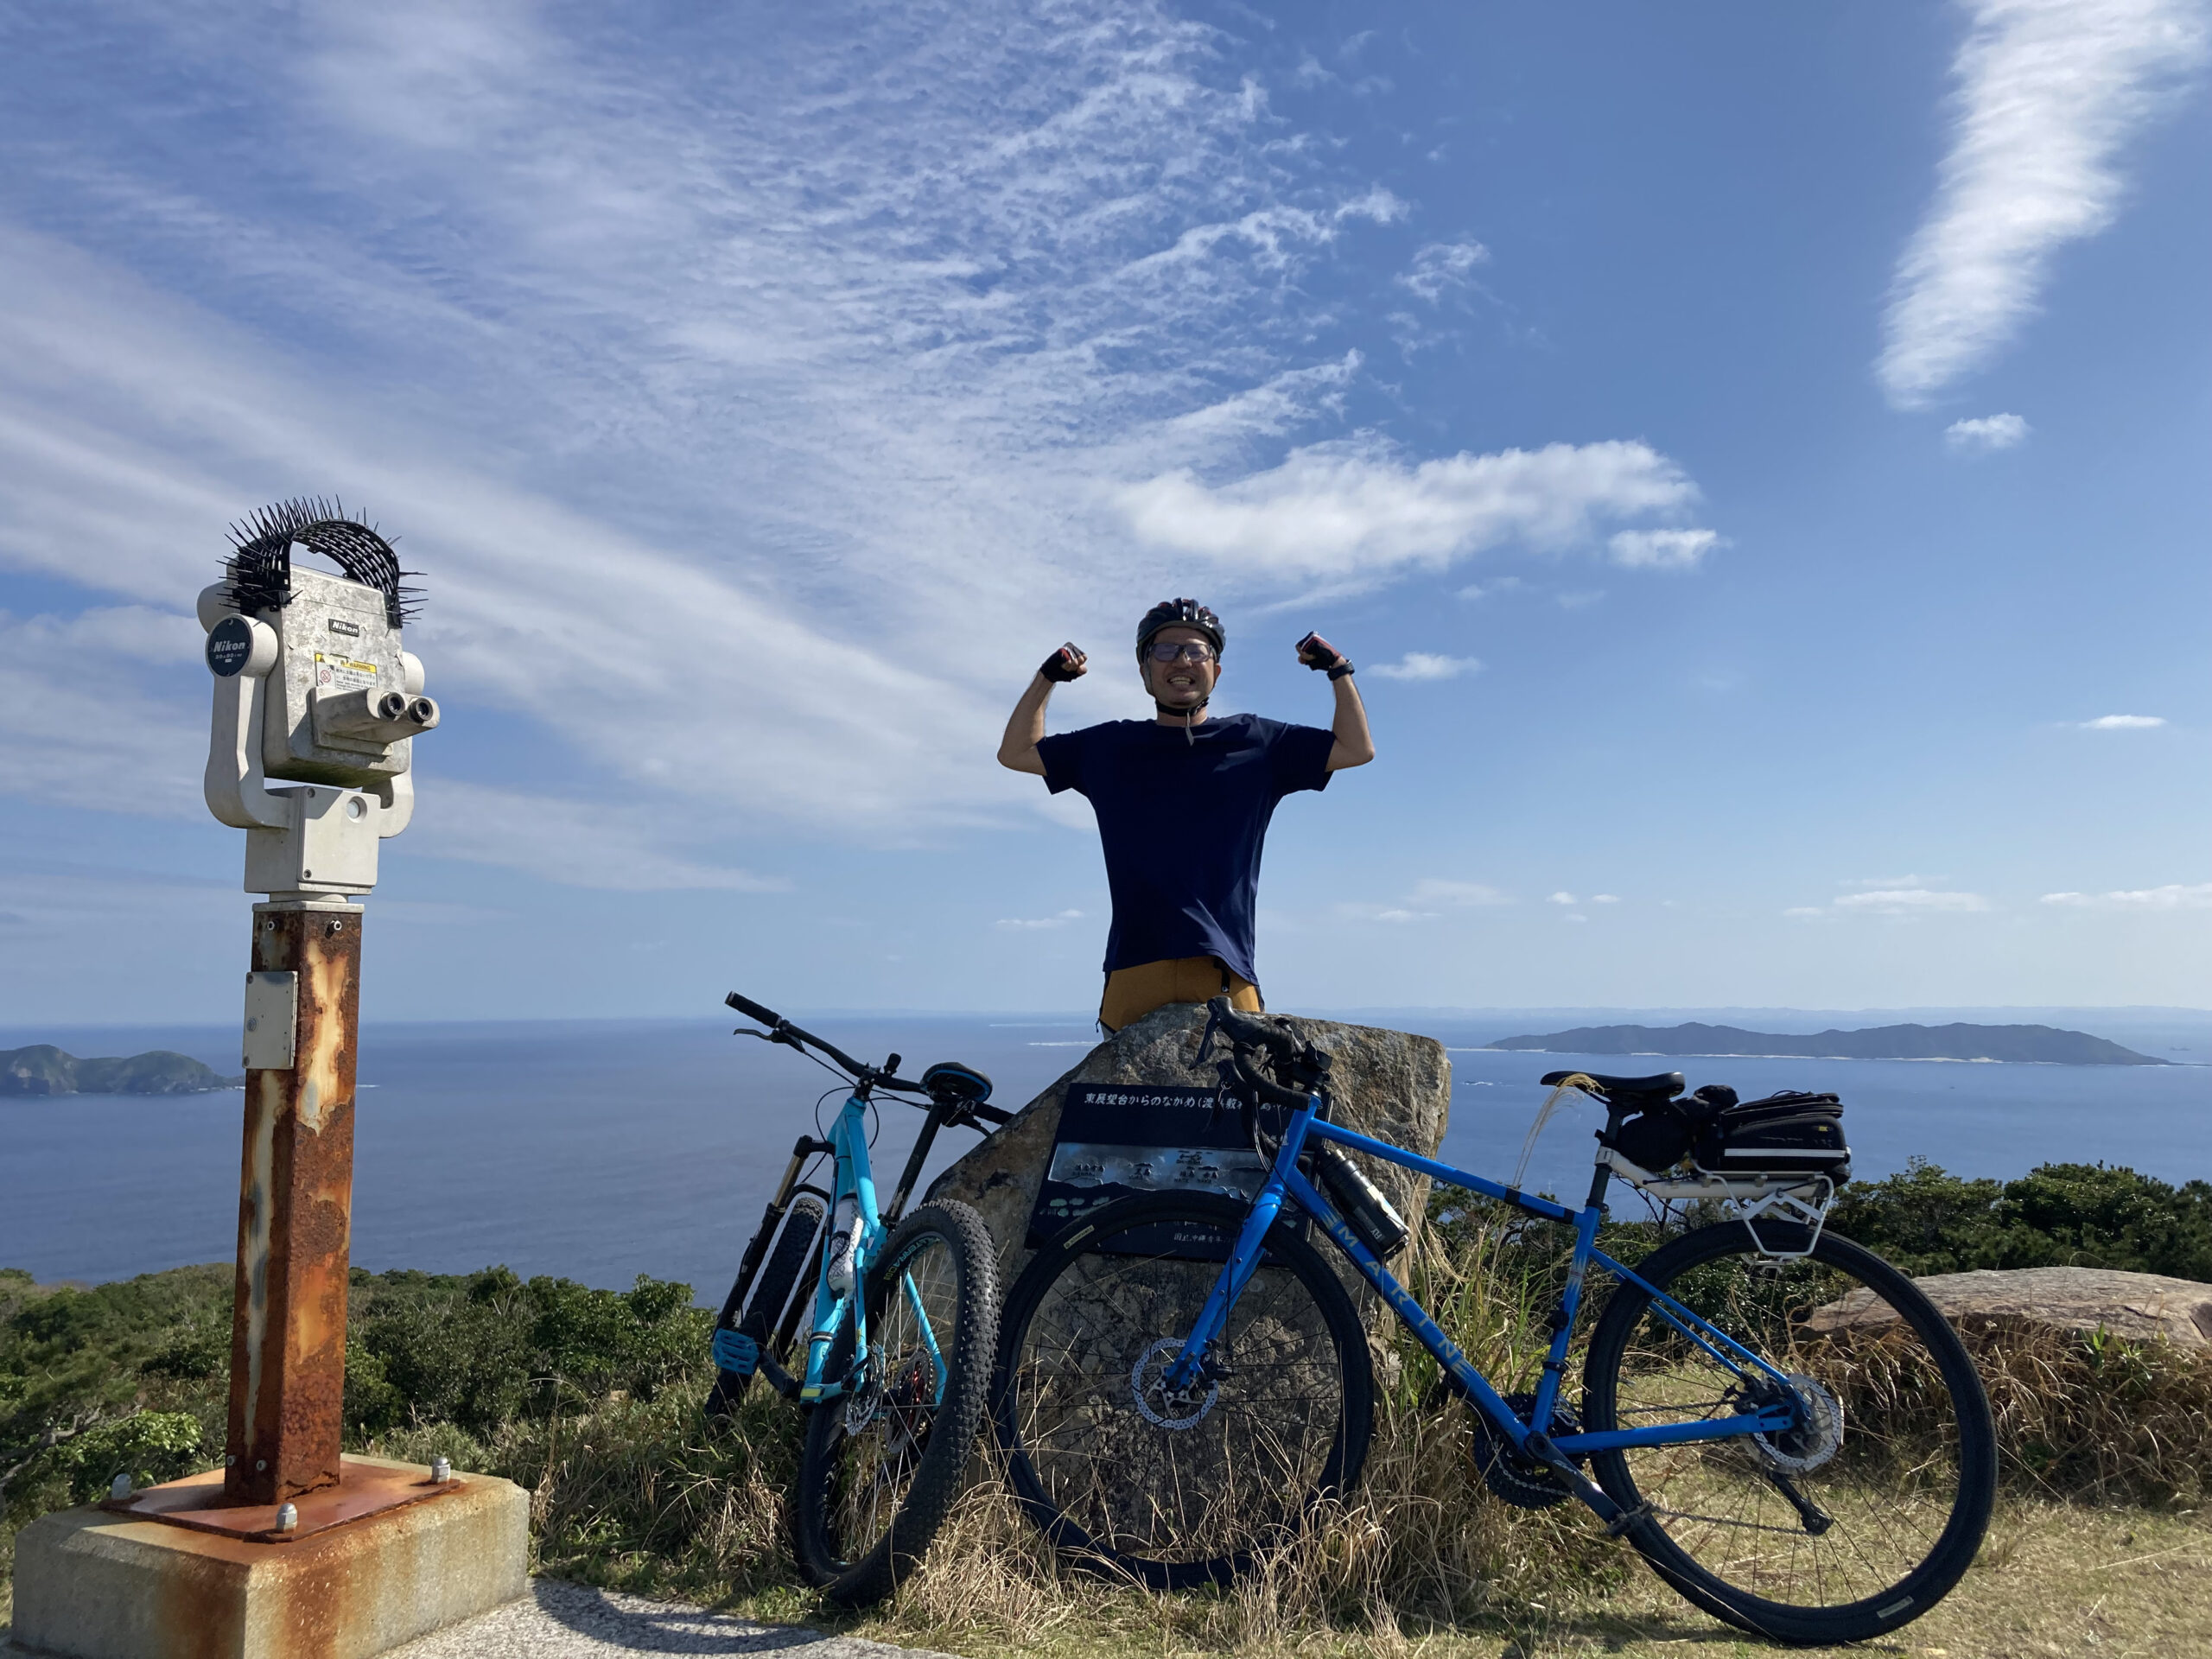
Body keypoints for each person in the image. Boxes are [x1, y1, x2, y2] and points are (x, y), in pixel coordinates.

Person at [997, 597, 1375, 1033]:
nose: (1182, 660)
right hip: (1134, 968)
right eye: (1165, 650)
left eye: (1197, 650)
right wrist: (1047, 677)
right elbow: (1016, 753)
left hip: (1223, 968)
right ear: (1144, 671)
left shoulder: (1257, 743)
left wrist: (1339, 670)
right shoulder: (1108, 748)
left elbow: (1355, 748)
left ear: (1216, 670)